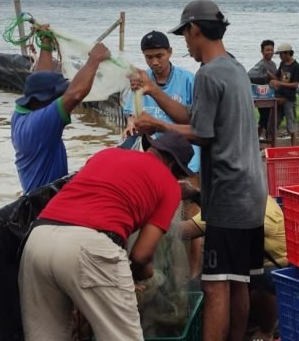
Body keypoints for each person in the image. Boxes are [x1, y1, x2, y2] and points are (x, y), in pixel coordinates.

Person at [132, 0, 267, 341]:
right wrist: (152, 91)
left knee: (215, 287)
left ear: (195, 30)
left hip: (228, 196)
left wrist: (155, 126)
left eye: (186, 37)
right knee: (238, 281)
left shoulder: (207, 73)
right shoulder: (233, 67)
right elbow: (195, 116)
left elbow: (203, 135)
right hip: (252, 192)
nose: (187, 45)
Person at [18, 130, 194, 341]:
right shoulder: (169, 184)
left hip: (38, 240)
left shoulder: (106, 154)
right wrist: (148, 278)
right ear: (174, 166)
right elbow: (140, 256)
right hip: (90, 246)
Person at [11, 29, 110, 194]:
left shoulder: (21, 112)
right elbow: (76, 94)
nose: (61, 97)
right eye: (57, 96)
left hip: (34, 196)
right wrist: (94, 59)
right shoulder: (40, 124)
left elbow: (41, 78)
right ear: (42, 101)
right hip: (43, 202)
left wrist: (46, 44)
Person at [181, 196, 286, 341]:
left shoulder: (229, 205)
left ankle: (265, 331)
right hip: (272, 264)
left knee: (218, 284)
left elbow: (186, 231)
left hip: (272, 272)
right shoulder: (257, 195)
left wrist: (154, 221)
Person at [122, 30, 200, 173]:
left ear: (169, 52)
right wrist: (131, 124)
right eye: (149, 57)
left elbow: (197, 120)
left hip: (185, 154)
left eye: (159, 56)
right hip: (153, 151)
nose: (155, 62)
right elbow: (131, 115)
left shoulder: (188, 80)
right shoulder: (140, 80)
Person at [269, 42, 299, 146]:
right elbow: (278, 77)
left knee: (291, 125)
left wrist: (279, 83)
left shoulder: (296, 66)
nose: (280, 56)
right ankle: (272, 146)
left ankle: (294, 148)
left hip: (289, 99)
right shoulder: (282, 64)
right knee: (274, 122)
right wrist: (272, 79)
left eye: (281, 54)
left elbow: (296, 84)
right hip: (279, 97)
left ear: (287, 53)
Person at [248, 40, 277, 138]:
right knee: (265, 119)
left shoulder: (273, 64)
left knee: (265, 120)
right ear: (262, 51)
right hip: (262, 96)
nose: (269, 52)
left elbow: (276, 79)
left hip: (271, 97)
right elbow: (250, 76)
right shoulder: (260, 65)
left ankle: (259, 140)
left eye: (271, 50)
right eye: (267, 50)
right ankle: (262, 140)